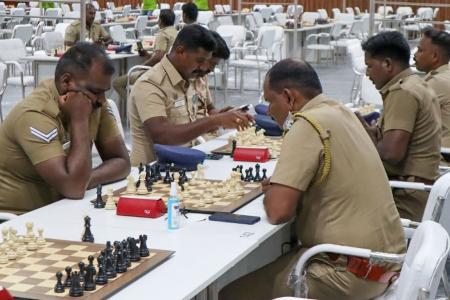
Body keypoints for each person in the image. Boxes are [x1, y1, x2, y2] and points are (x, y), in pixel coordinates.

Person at [219, 59, 406, 300]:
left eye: (269, 101)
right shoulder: (340, 111)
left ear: (288, 97)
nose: (268, 109)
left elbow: (278, 212)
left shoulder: (306, 124)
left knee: (229, 294)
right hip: (384, 263)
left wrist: (275, 191)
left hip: (346, 273)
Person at [0, 43, 130, 215]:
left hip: (62, 210)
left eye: (104, 91)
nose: (102, 100)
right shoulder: (34, 114)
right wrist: (79, 119)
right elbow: (74, 188)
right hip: (18, 221)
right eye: (96, 91)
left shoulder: (93, 102)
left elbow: (122, 162)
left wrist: (85, 179)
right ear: (66, 82)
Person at [128, 25, 252, 166]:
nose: (205, 68)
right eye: (200, 61)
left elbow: (201, 114)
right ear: (180, 51)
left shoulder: (189, 76)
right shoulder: (150, 84)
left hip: (187, 162)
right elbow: (163, 136)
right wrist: (215, 120)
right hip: (154, 172)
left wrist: (222, 118)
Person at [359, 31, 441, 222]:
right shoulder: (417, 84)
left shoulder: (402, 92)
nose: (367, 73)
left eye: (370, 66)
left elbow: (391, 154)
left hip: (405, 198)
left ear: (388, 64)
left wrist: (368, 140)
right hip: (418, 191)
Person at [112, 9, 178, 108]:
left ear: (161, 21)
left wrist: (143, 66)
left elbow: (159, 57)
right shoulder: (175, 32)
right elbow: (162, 56)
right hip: (168, 72)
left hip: (156, 73)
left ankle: (135, 108)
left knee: (117, 83)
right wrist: (146, 55)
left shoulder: (162, 34)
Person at [414, 27, 450, 150]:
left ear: (435, 56)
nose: (415, 55)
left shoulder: (436, 83)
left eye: (419, 50)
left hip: (442, 156)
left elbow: (408, 119)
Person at [193, 30, 231, 118]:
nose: (212, 69)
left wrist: (223, 115)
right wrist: (214, 121)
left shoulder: (202, 77)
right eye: (212, 64)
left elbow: (210, 109)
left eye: (215, 65)